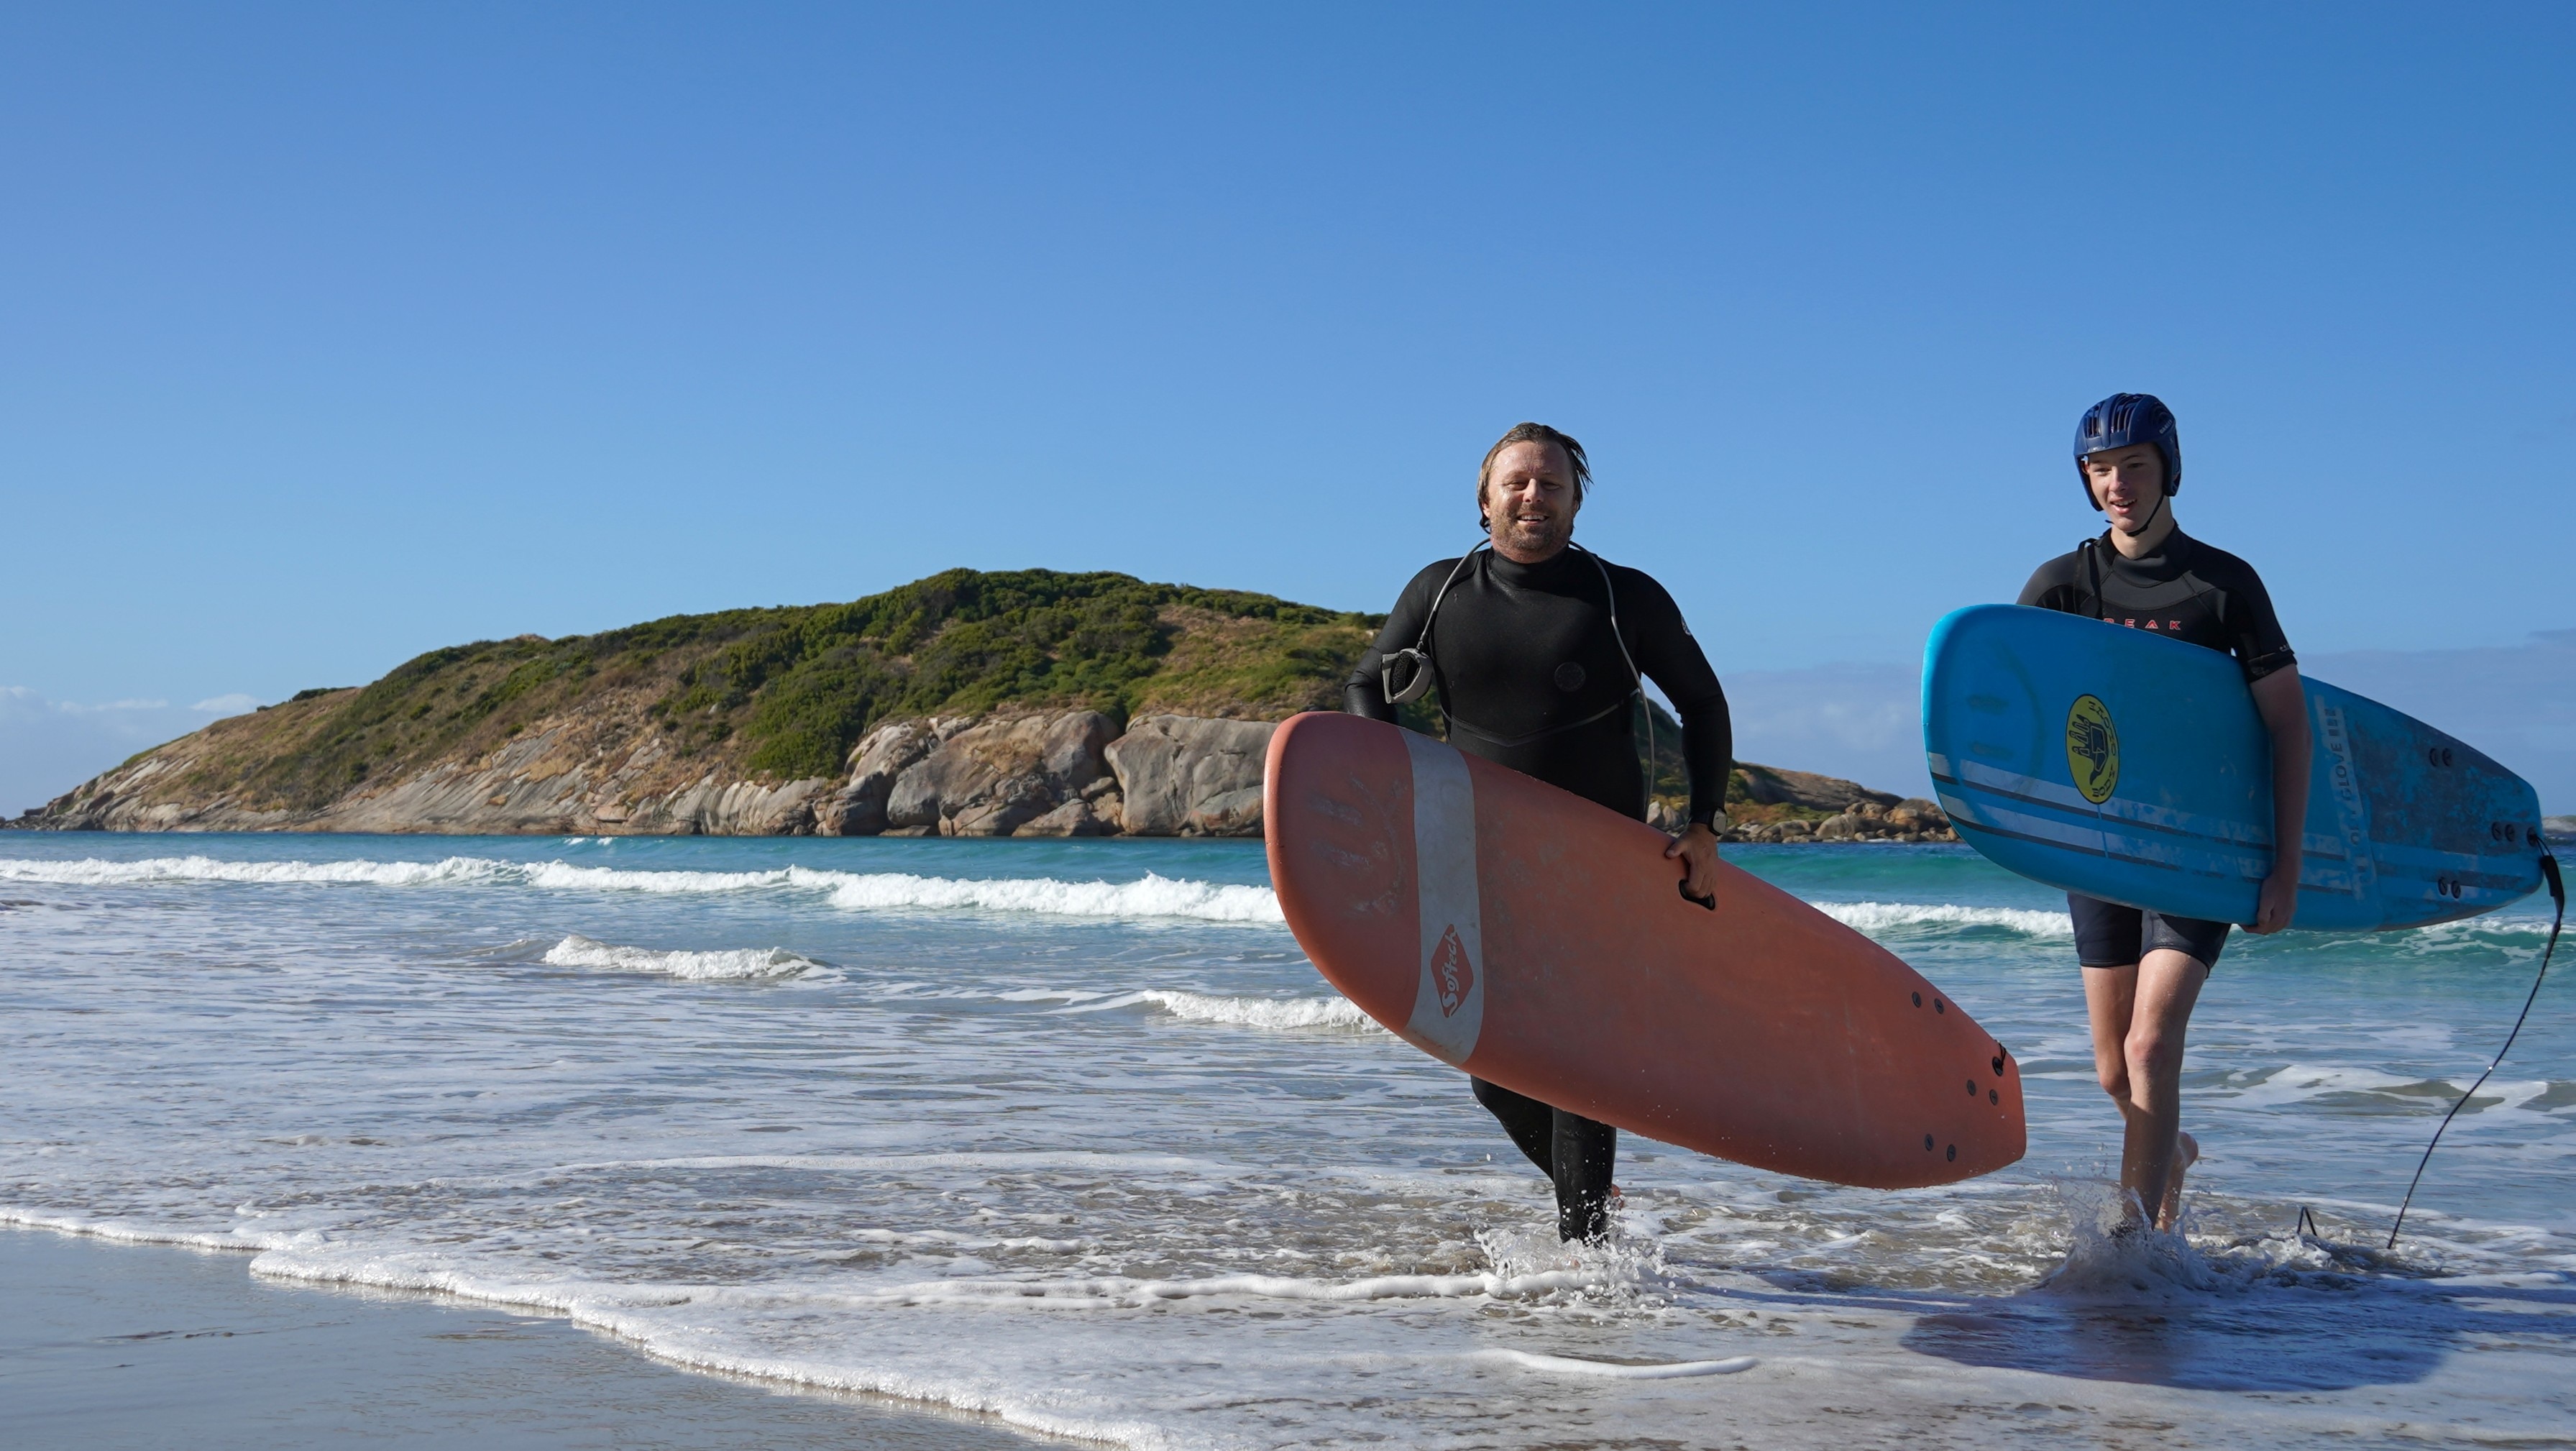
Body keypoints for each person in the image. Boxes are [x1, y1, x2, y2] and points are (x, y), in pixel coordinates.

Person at [1344, 421, 1733, 1243]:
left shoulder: (1624, 595)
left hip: (1597, 861)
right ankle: (1589, 1200)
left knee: (1576, 1062)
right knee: (1494, 1074)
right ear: (1484, 499)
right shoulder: (1439, 592)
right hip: (1477, 856)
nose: (1533, 496)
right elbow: (1363, 687)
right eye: (1516, 482)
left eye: (1551, 484)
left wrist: (1705, 822)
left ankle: (1588, 1259)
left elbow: (1702, 703)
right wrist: (1393, 791)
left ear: (1576, 500)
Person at [2017, 393, 2310, 1232]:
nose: (2115, 483)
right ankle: (2169, 1150)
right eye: (2099, 469)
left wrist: (2281, 867)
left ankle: (2136, 1250)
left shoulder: (2222, 585)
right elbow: (2019, 712)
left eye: (2132, 466)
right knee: (2114, 1071)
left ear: (2167, 469)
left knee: (2151, 1047)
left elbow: (2286, 724)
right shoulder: (2061, 586)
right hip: (2101, 851)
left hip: (2198, 848)